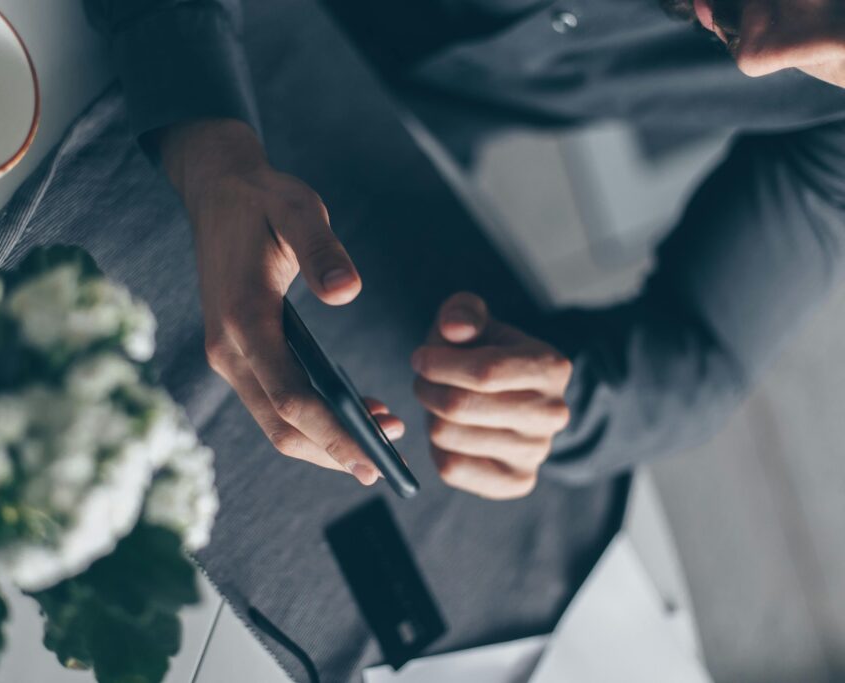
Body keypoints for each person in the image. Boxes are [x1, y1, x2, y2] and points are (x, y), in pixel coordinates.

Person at [82, 0, 845, 499]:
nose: (759, 59)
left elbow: (707, 351)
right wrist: (205, 135)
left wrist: (558, 404)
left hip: (389, 142)